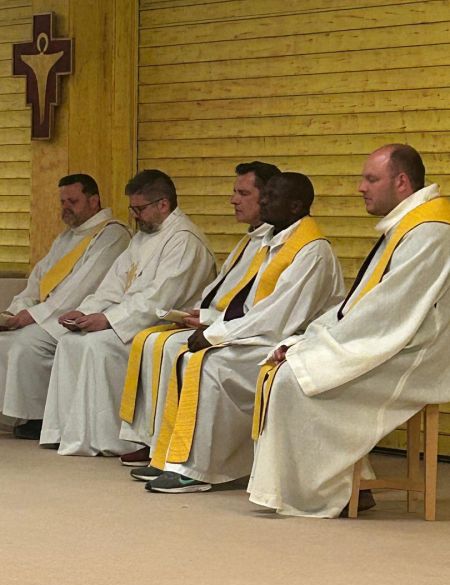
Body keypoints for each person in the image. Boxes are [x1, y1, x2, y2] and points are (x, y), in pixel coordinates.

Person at [248, 144, 450, 518]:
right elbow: (362, 304)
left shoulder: (430, 231)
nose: (360, 187)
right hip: (395, 337)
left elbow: (388, 311)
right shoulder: (409, 222)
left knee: (297, 380)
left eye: (371, 179)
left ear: (401, 182)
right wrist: (307, 338)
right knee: (290, 367)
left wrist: (313, 346)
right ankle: (349, 482)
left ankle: (327, 492)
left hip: (419, 352)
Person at [146, 171, 345, 492]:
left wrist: (216, 334)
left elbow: (276, 316)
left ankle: (200, 468)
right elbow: (250, 305)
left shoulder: (311, 251)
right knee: (187, 354)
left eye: (271, 197)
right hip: (265, 335)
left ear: (295, 206)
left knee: (210, 364)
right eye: (263, 196)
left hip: (293, 344)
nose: (262, 202)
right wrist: (212, 321)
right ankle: (177, 457)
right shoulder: (272, 242)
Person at [39, 169, 216, 456]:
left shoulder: (184, 240)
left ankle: (110, 438)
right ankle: (69, 432)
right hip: (129, 319)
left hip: (162, 324)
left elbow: (159, 298)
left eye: (139, 209)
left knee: (97, 346)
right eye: (132, 208)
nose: (134, 215)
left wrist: (108, 320)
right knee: (70, 341)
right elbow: (114, 284)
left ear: (163, 204)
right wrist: (84, 312)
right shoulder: (143, 237)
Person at [119, 161, 280, 470]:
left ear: (269, 197)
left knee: (181, 351)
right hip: (226, 323)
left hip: (256, 337)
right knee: (152, 342)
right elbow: (226, 293)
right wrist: (203, 314)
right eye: (234, 192)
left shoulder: (288, 246)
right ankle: (156, 441)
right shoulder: (251, 240)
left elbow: (265, 309)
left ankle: (189, 456)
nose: (233, 200)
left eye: (242, 193)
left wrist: (212, 322)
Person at [0, 174, 131, 439]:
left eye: (73, 201)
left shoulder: (112, 234)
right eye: (62, 202)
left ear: (94, 201)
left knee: (26, 344)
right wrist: (15, 311)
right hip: (46, 313)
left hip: (75, 315)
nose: (66, 207)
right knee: (4, 340)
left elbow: (82, 287)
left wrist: (30, 316)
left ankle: (38, 417)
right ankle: (11, 414)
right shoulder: (66, 237)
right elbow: (39, 278)